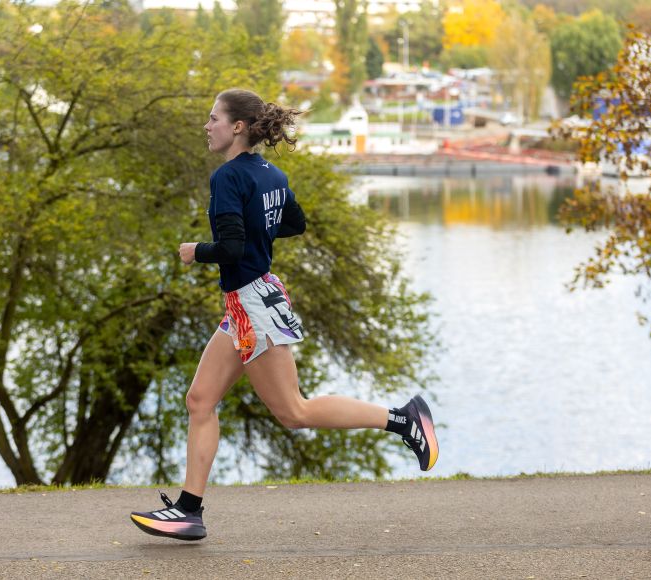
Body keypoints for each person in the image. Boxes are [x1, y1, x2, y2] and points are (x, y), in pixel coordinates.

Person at [129, 89, 438, 541]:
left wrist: (197, 251)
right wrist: (257, 237)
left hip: (252, 303)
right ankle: (188, 511)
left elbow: (232, 248)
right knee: (199, 401)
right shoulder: (271, 173)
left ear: (237, 127)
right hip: (247, 302)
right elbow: (293, 223)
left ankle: (404, 418)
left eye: (213, 118)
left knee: (294, 411)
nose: (207, 125)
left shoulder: (228, 178)